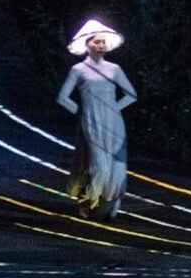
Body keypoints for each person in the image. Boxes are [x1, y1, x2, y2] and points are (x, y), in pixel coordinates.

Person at [57, 19, 136, 220]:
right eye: (96, 42)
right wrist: (80, 111)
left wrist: (113, 109)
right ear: (87, 44)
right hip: (91, 122)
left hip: (113, 123)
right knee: (97, 165)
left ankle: (110, 203)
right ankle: (87, 200)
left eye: (103, 42)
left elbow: (131, 94)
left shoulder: (114, 69)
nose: (100, 46)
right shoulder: (78, 70)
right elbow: (62, 97)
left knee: (116, 167)